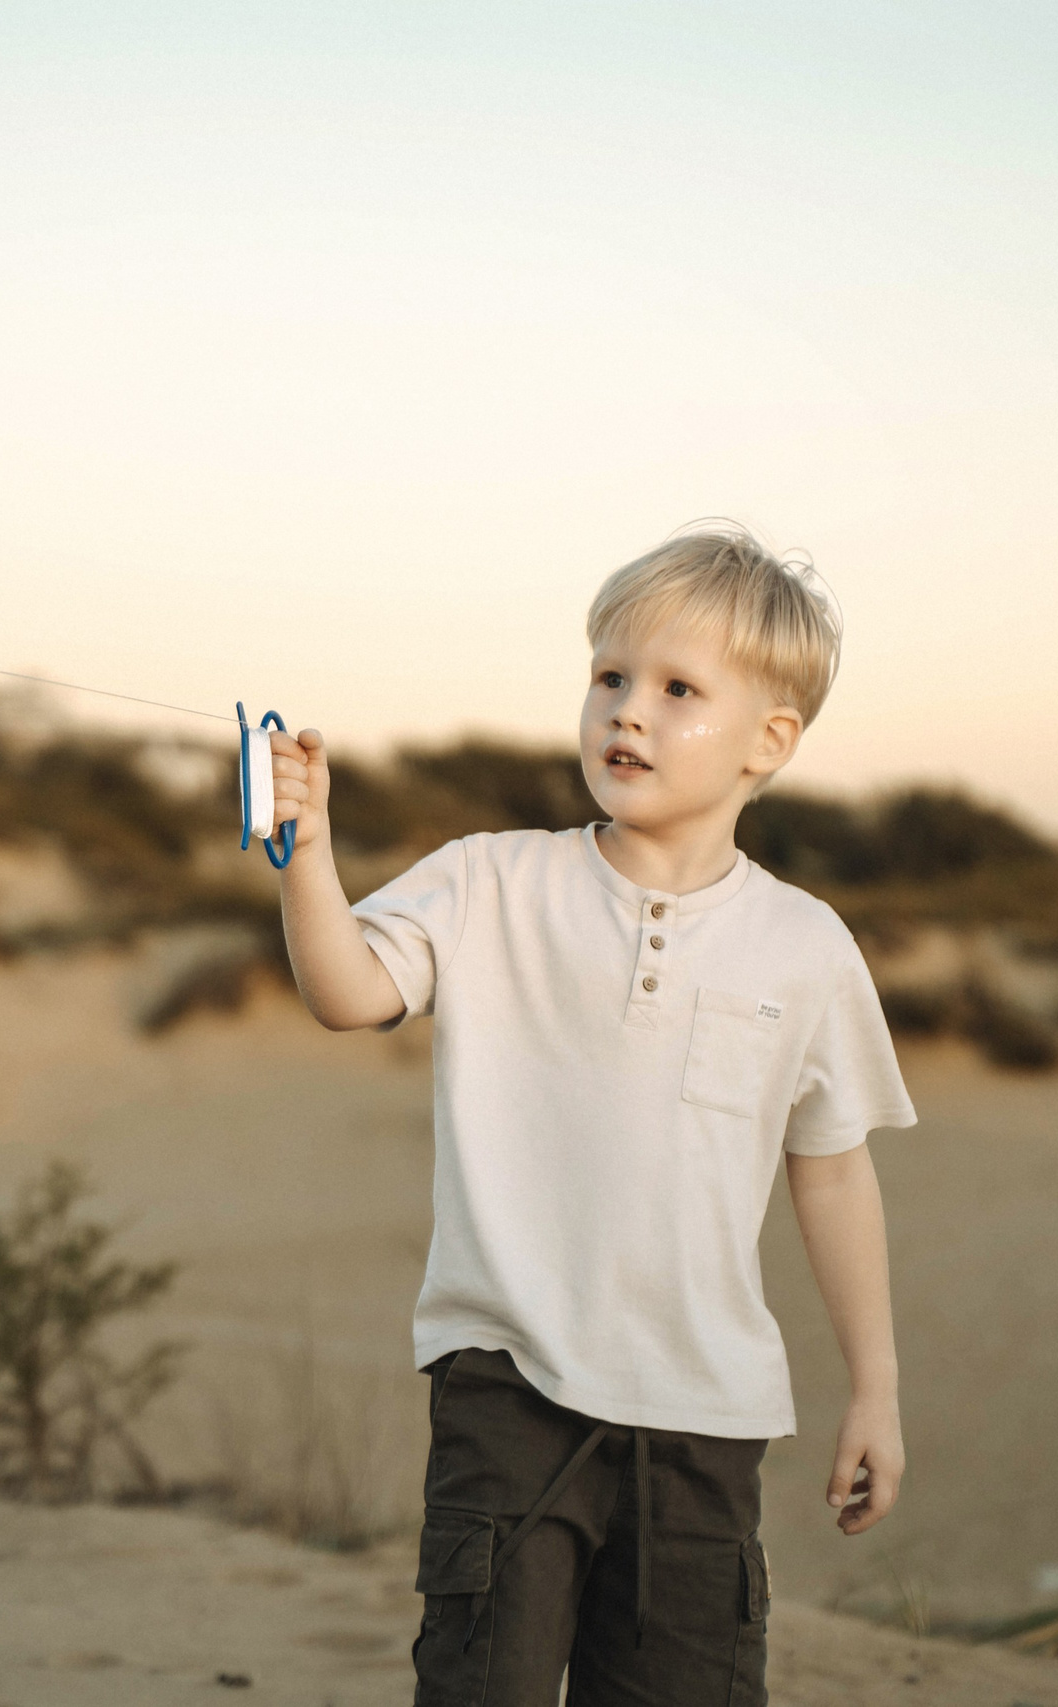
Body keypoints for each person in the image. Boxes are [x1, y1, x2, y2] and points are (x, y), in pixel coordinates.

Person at [265, 526, 915, 1705]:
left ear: (770, 741)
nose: (629, 712)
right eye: (609, 677)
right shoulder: (490, 880)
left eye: (677, 690)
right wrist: (307, 851)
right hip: (507, 1387)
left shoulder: (806, 945)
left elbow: (831, 1169)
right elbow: (347, 994)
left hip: (707, 1415)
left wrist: (874, 1388)